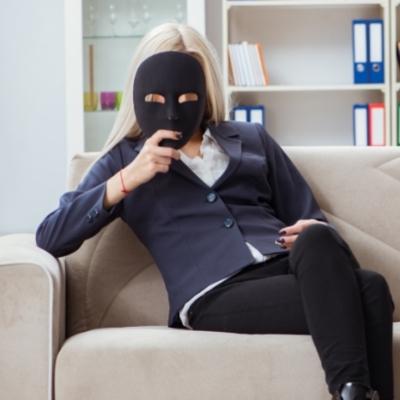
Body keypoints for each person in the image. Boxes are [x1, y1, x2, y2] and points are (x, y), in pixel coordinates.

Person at [35, 22, 395, 400]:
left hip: (282, 266)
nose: (175, 105)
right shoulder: (125, 160)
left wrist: (311, 229)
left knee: (352, 267)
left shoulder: (250, 138)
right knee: (369, 291)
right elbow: (51, 235)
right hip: (214, 293)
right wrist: (126, 180)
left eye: (189, 90)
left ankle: (350, 393)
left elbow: (308, 214)